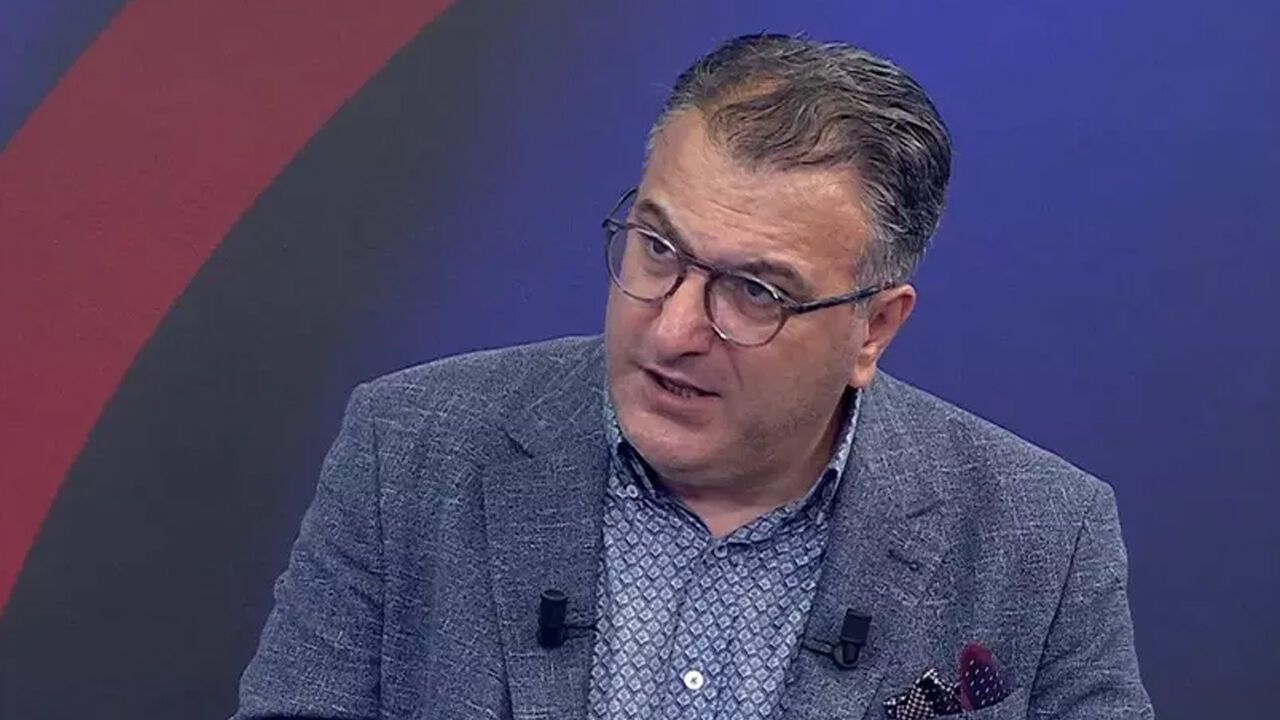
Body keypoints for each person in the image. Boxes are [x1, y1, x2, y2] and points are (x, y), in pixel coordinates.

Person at [234, 34, 1152, 720]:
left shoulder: (1042, 539)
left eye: (756, 292)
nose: (673, 329)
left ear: (872, 328)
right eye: (658, 248)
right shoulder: (410, 449)